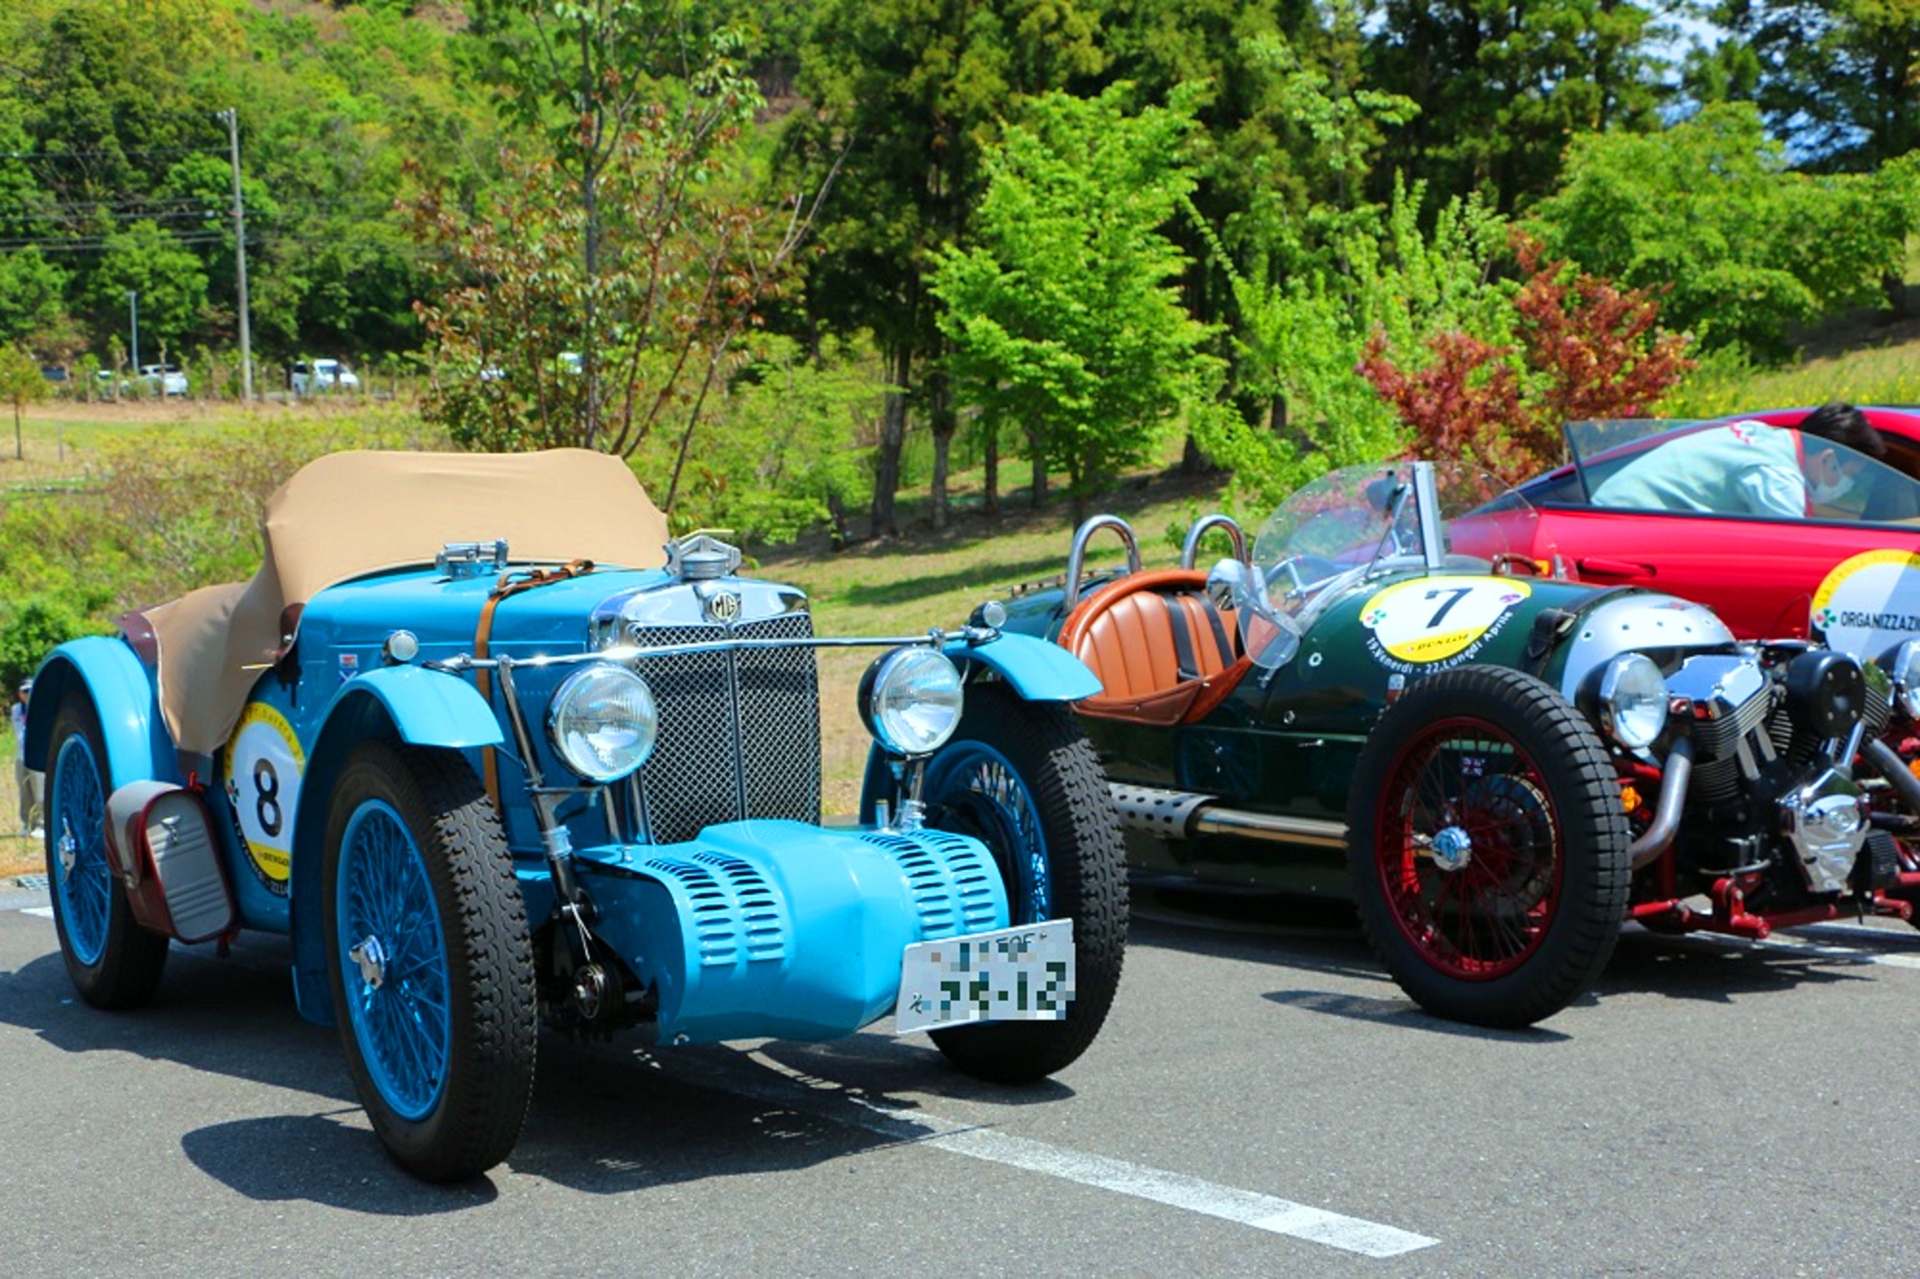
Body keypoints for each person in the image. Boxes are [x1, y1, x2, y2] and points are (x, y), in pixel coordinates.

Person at [1590, 402, 1886, 518]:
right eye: (1850, 476)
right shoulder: (1776, 475)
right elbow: (1794, 548)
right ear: (1829, 460)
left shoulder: (1766, 437)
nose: (1847, 487)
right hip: (1624, 522)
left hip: (1616, 509)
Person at [11, 678, 42, 838]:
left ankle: (42, 824)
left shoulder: (40, 706)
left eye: (30, 691)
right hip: (20, 756)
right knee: (24, 791)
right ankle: (27, 823)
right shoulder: (16, 709)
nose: (27, 694)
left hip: (36, 754)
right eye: (24, 691)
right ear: (19, 693)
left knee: (40, 791)